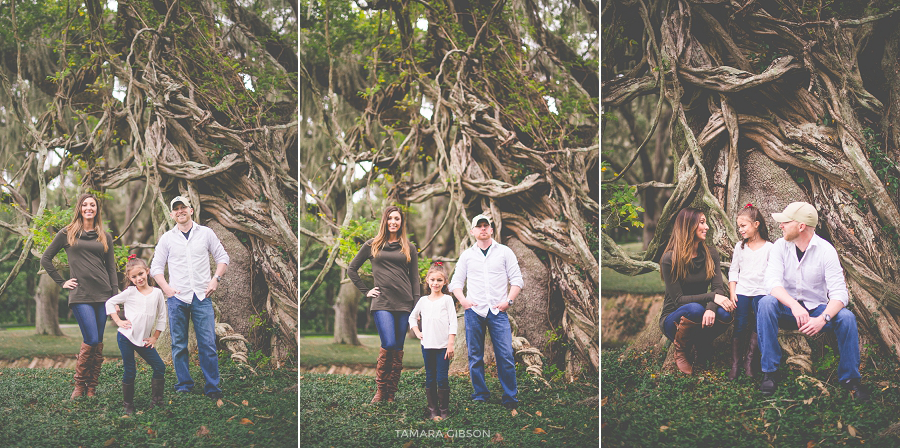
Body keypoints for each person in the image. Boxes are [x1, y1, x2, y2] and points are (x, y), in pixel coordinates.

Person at [757, 202, 868, 400]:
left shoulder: (826, 251)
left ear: (801, 226)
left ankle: (850, 379)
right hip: (786, 311)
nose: (780, 225)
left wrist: (823, 318)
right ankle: (770, 372)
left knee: (847, 318)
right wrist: (793, 305)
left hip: (816, 312)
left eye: (785, 222)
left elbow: (840, 294)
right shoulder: (779, 247)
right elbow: (772, 284)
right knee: (766, 303)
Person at [150, 196, 229, 400]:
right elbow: (156, 268)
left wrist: (215, 280)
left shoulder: (206, 233)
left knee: (208, 344)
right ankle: (184, 385)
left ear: (191, 210)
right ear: (171, 214)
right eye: (175, 209)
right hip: (177, 299)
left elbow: (223, 258)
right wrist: (167, 289)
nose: (179, 211)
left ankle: (212, 387)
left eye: (182, 207)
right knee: (178, 345)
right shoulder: (167, 238)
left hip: (202, 297)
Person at [41, 193, 118, 399]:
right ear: (80, 208)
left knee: (99, 342)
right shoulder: (67, 233)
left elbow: (111, 269)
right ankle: (79, 386)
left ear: (97, 209)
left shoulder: (105, 236)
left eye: (92, 205)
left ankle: (91, 388)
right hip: (80, 295)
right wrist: (62, 282)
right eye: (85, 205)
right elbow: (46, 259)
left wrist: (115, 298)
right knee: (91, 338)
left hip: (103, 295)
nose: (88, 208)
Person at [449, 213, 524, 410]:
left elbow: (517, 280)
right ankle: (480, 394)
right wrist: (464, 301)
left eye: (486, 226)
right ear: (473, 231)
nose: (483, 229)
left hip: (498, 312)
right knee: (475, 356)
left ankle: (510, 397)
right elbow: (456, 283)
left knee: (506, 355)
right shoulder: (467, 255)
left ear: (491, 229)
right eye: (479, 226)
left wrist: (509, 301)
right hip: (474, 312)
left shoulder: (504, 252)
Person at [348, 205, 420, 403]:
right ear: (385, 221)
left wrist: (416, 306)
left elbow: (415, 279)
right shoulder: (372, 245)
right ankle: (380, 390)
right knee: (388, 343)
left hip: (404, 302)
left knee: (398, 348)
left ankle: (390, 393)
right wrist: (366, 291)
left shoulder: (409, 247)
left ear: (401, 222)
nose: (393, 222)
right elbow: (352, 269)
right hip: (382, 302)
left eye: (397, 218)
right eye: (390, 218)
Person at [659, 207, 734, 375]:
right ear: (688, 226)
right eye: (702, 222)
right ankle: (681, 350)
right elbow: (679, 299)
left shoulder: (711, 254)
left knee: (725, 313)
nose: (707, 227)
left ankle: (701, 344)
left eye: (706, 222)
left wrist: (710, 307)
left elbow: (718, 288)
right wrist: (713, 298)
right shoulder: (669, 258)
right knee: (695, 309)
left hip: (700, 313)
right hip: (674, 319)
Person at [105, 255, 167, 415]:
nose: (138, 278)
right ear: (130, 278)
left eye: (141, 274)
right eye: (134, 276)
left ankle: (157, 401)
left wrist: (155, 337)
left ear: (147, 272)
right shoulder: (130, 292)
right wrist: (118, 321)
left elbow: (161, 316)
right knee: (130, 370)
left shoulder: (157, 293)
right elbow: (110, 302)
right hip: (126, 337)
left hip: (144, 339)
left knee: (159, 367)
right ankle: (128, 405)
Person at [726, 203, 773, 380]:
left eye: (743, 226)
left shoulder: (770, 247)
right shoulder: (740, 247)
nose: (740, 230)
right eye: (739, 227)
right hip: (743, 291)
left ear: (756, 224)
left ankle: (750, 362)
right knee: (740, 323)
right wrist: (733, 292)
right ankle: (736, 363)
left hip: (762, 291)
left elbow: (773, 273)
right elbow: (733, 270)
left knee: (757, 325)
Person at [409, 262, 456, 421]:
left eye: (439, 280)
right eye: (433, 280)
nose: (436, 283)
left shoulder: (447, 300)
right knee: (430, 377)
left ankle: (444, 410)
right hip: (427, 346)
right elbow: (412, 317)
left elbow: (453, 322)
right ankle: (433, 410)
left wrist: (450, 343)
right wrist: (417, 332)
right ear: (427, 281)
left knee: (442, 377)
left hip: (443, 346)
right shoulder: (423, 301)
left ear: (445, 282)